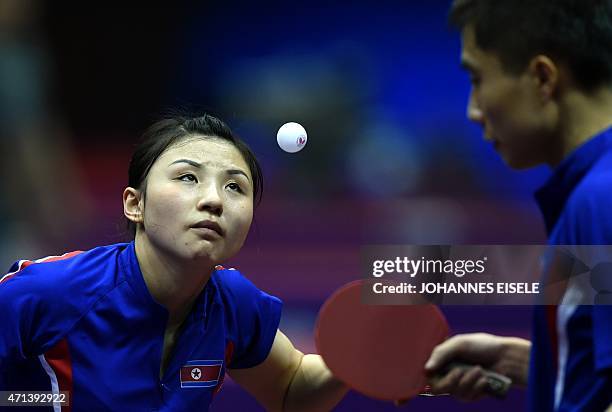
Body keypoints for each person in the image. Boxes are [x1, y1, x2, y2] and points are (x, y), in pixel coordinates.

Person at [0, 114, 348, 411]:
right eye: (188, 178)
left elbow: (290, 386)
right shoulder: (47, 293)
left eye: (234, 187)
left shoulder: (232, 303)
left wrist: (362, 359)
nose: (214, 200)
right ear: (135, 204)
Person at [424, 0, 612, 410]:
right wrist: (540, 363)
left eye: (477, 78)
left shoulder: (600, 200)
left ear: (542, 77)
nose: (473, 111)